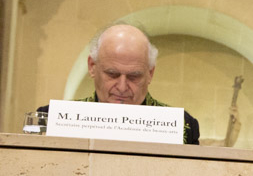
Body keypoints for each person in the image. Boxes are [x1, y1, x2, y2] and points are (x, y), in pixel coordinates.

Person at [38, 24, 200, 144]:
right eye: (112, 74)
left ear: (150, 73)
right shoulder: (49, 119)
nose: (122, 87)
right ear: (92, 67)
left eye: (134, 76)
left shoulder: (182, 127)